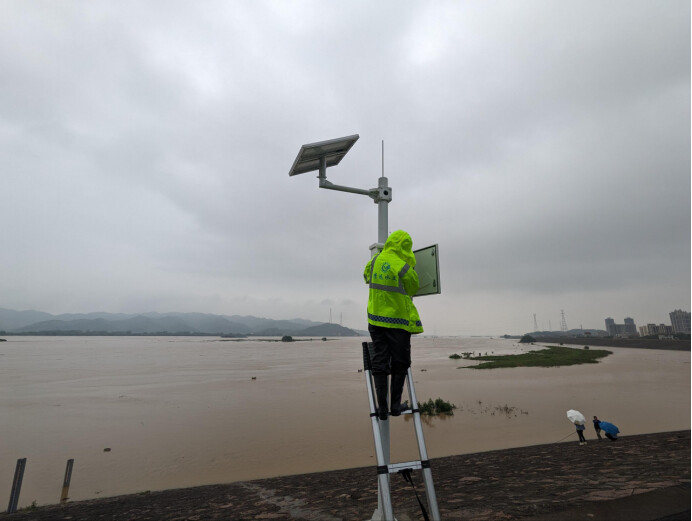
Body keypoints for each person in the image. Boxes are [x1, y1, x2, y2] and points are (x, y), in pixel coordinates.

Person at [364, 230, 423, 420]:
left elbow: (366, 277)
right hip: (397, 322)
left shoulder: (374, 262)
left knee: (380, 361)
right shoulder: (402, 266)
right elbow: (414, 287)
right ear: (404, 247)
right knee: (401, 362)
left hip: (375, 320)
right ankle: (395, 406)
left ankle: (382, 409)